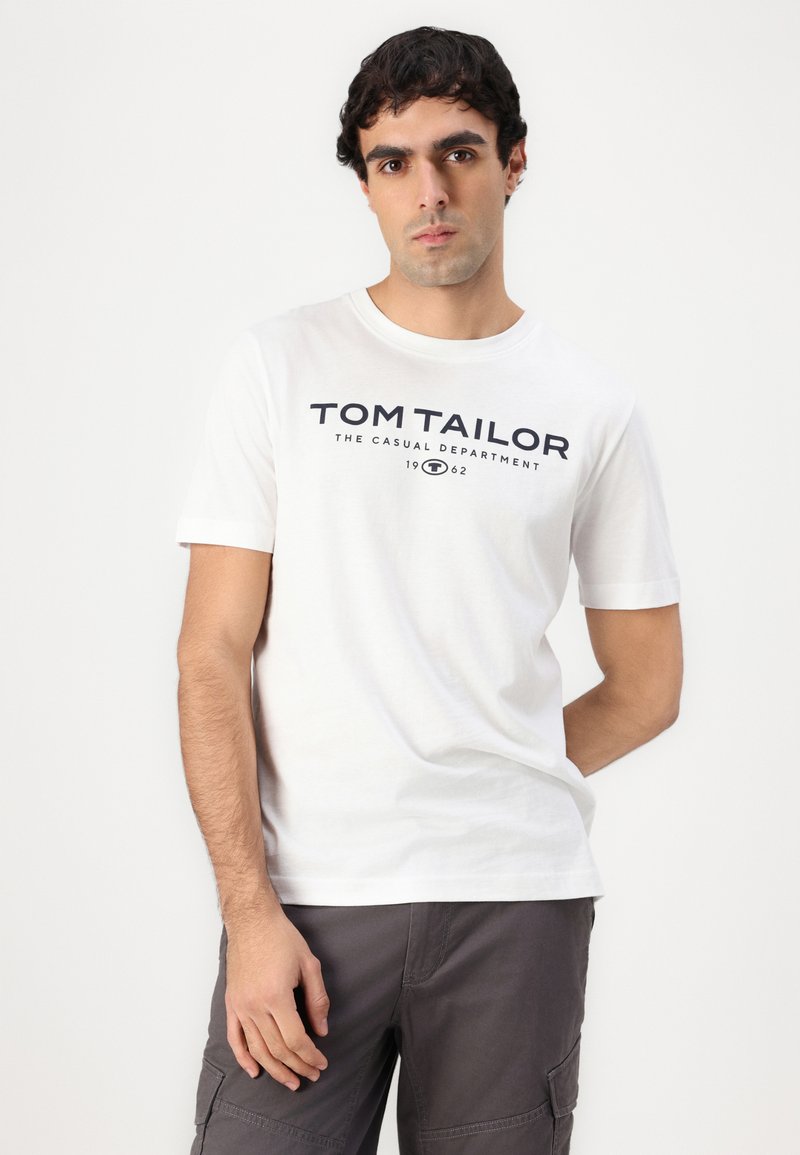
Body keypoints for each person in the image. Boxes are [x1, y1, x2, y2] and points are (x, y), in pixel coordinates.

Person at [175, 25, 683, 1155]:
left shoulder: (590, 406)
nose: (429, 190)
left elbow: (647, 689)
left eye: (459, 151)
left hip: (515, 900)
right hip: (310, 898)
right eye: (392, 162)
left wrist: (483, 757)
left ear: (513, 161)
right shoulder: (281, 365)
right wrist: (248, 910)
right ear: (364, 184)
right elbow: (210, 651)